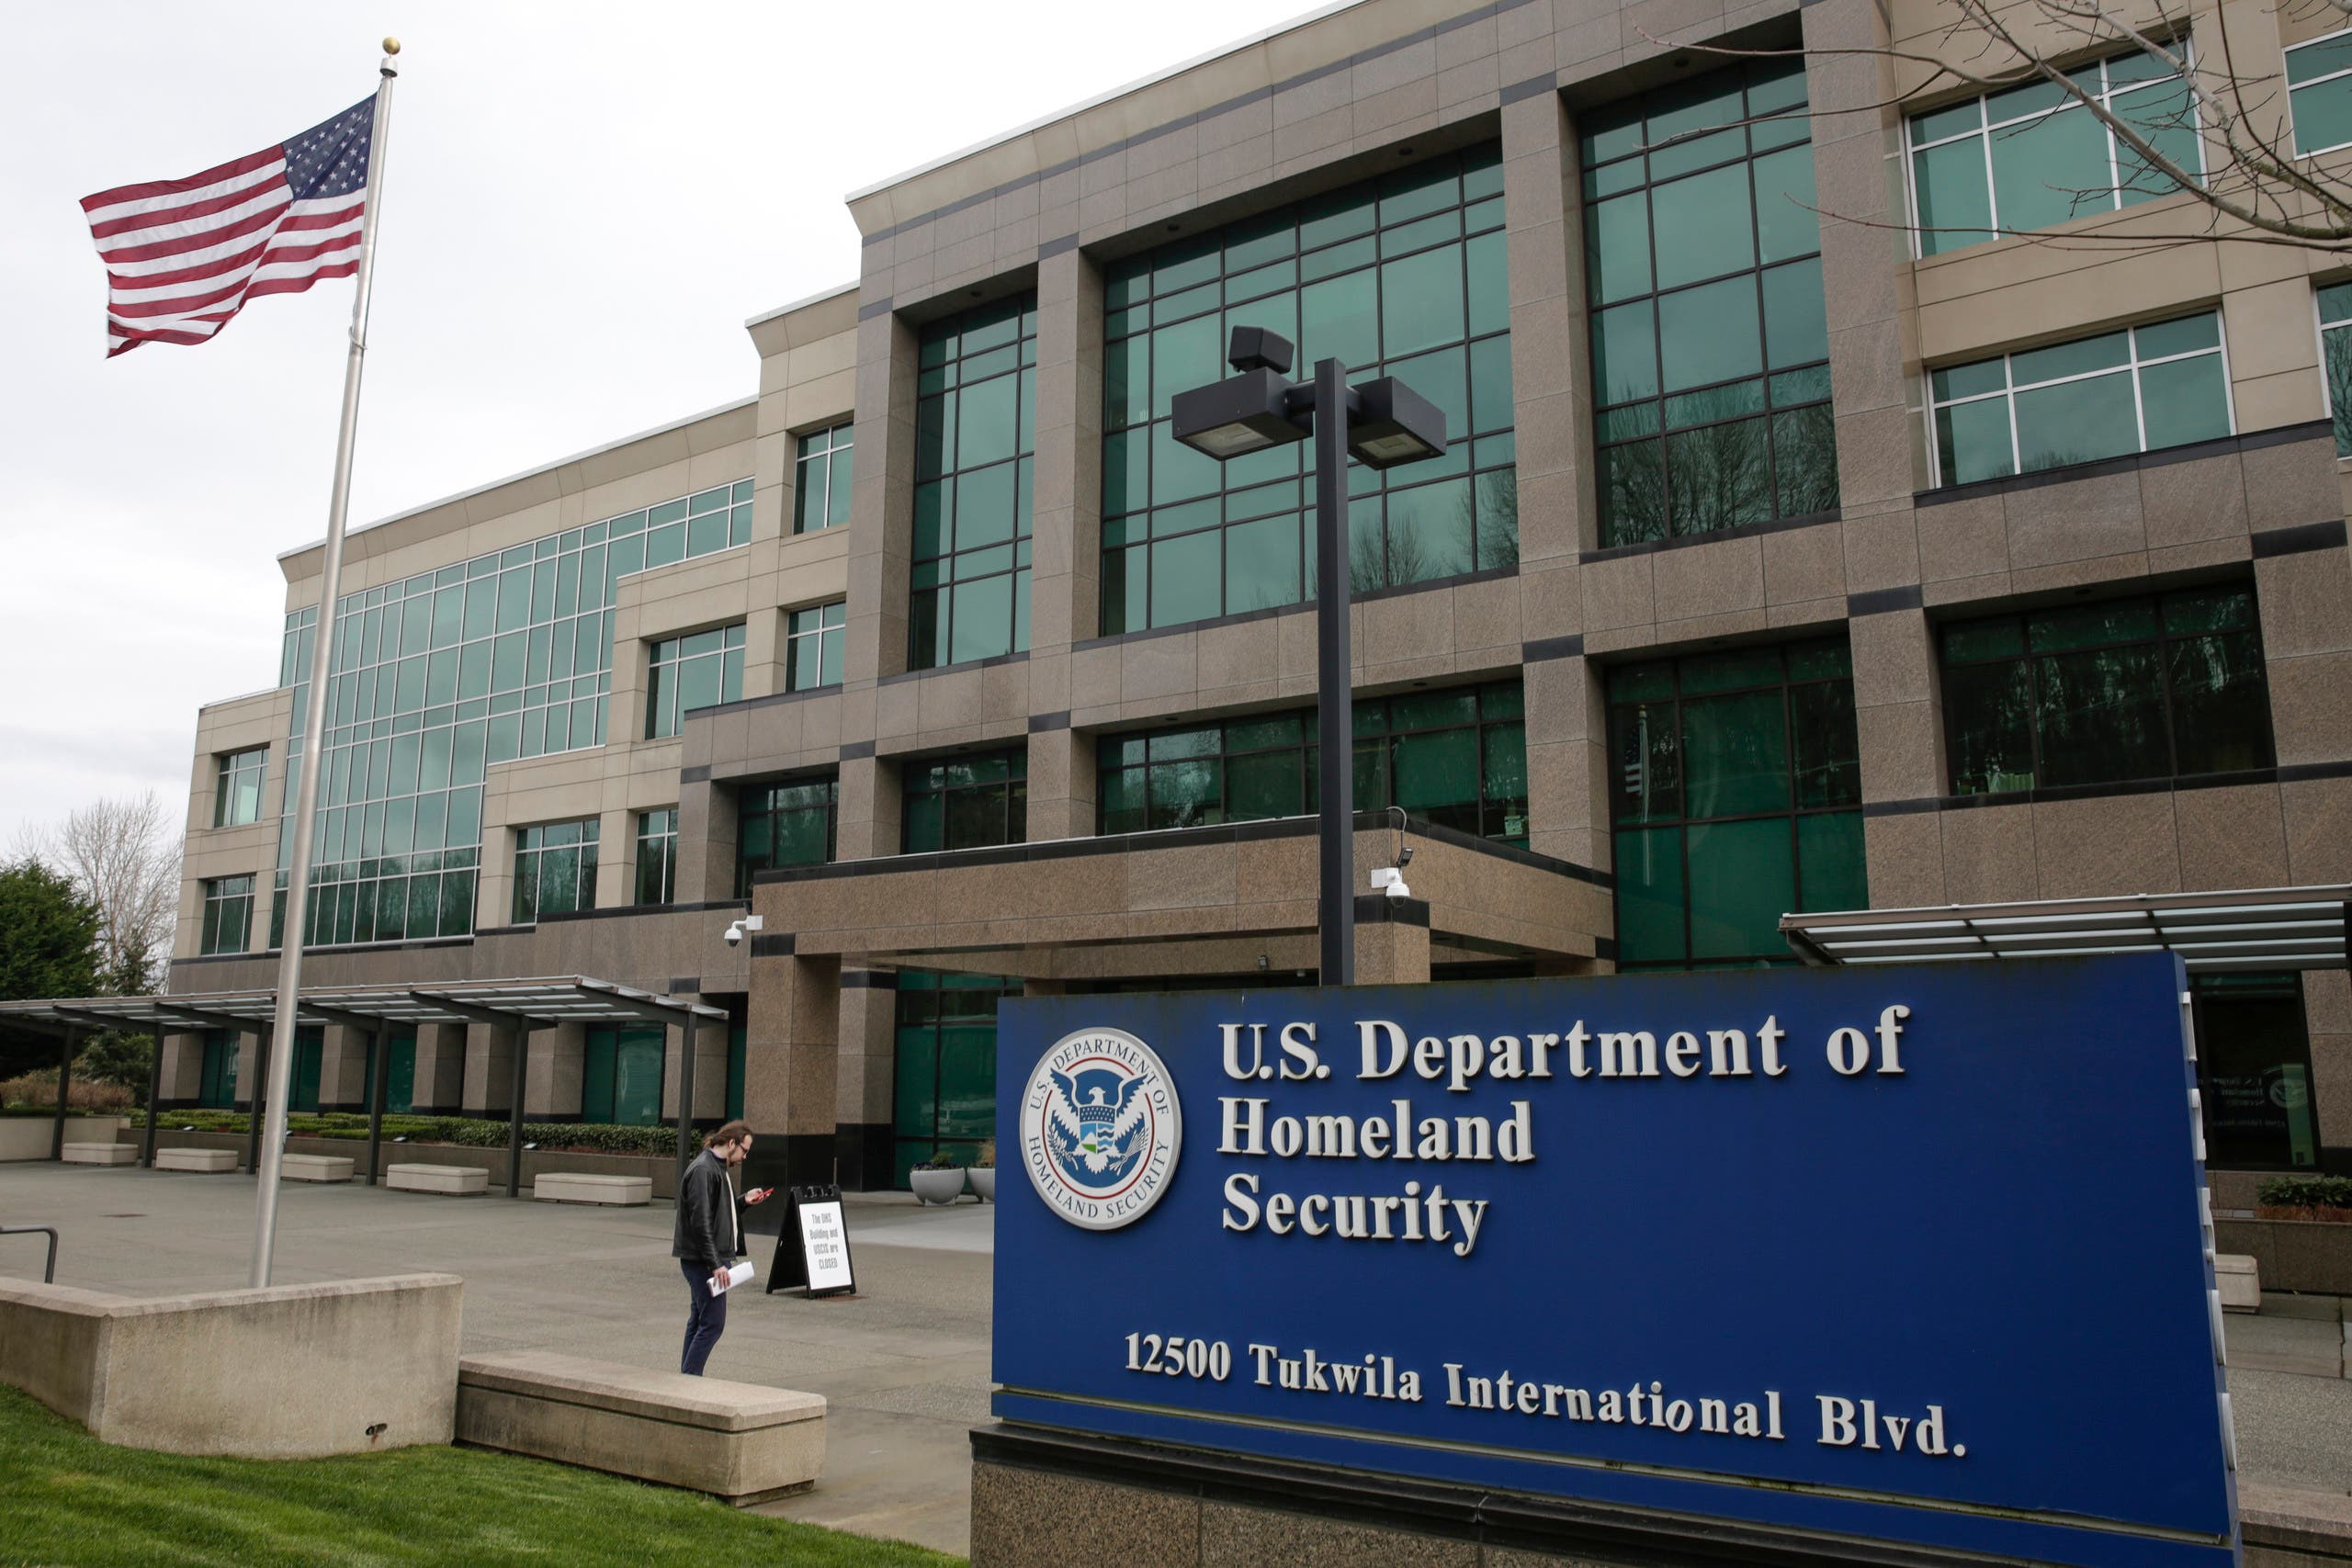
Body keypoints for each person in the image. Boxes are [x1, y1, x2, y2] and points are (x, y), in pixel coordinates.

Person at [672, 1121, 773, 1376]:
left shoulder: (715, 1168)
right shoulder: (705, 1170)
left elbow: (717, 1214)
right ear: (731, 1144)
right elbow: (701, 1222)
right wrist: (716, 1264)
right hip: (703, 1261)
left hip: (704, 1259)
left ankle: (687, 1378)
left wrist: (744, 1201)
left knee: (699, 1319)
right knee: (713, 1323)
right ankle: (690, 1379)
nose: (745, 1157)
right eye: (744, 1150)